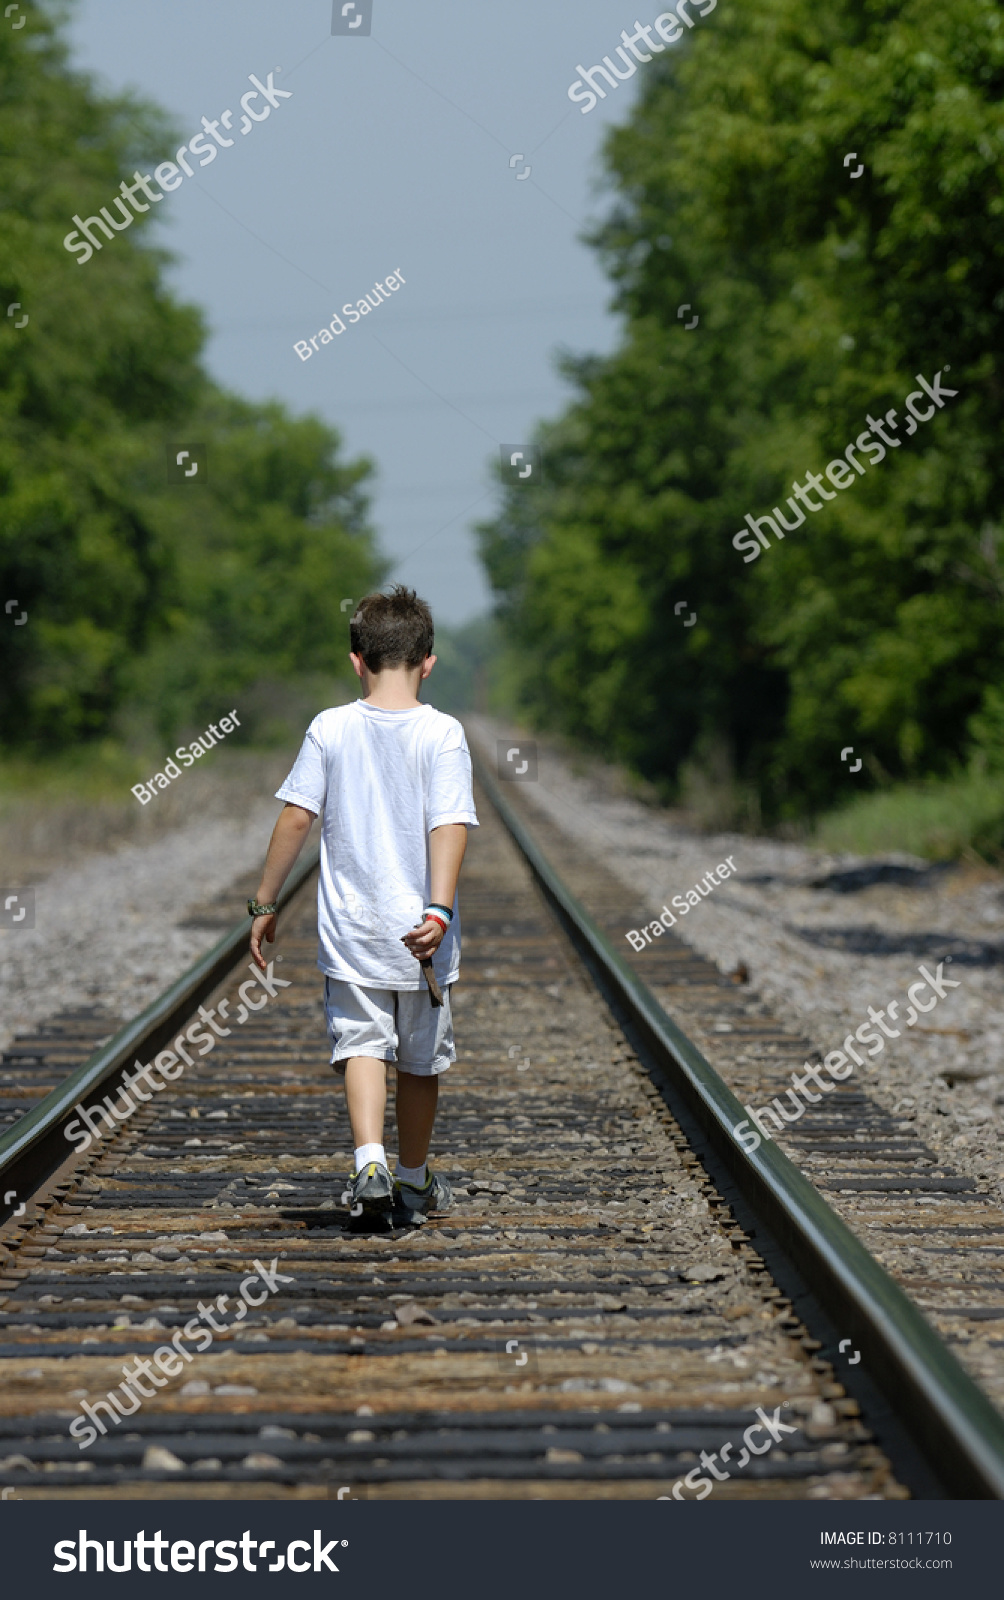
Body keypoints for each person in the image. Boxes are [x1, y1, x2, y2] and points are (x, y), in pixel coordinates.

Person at [247, 586, 478, 1222]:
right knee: (421, 1061)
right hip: (423, 938)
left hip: (352, 932)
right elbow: (449, 824)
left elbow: (297, 817)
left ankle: (368, 1160)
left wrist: (264, 902)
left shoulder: (330, 727)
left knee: (362, 1047)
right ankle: (411, 1180)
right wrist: (438, 912)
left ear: (357, 659)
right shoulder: (444, 733)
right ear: (429, 661)